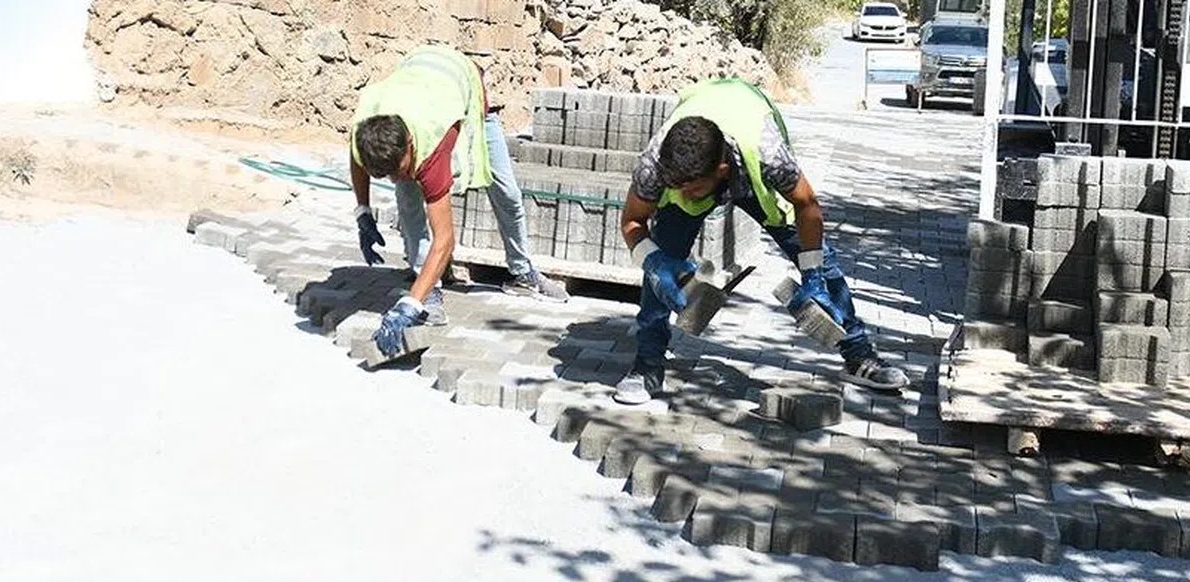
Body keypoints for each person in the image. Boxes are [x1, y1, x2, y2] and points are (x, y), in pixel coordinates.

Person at [615, 77, 909, 405]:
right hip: (706, 138)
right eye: (678, 186)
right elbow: (631, 221)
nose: (684, 194)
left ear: (722, 170)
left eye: (693, 188)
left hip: (750, 159)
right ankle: (648, 363)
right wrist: (654, 262)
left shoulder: (768, 154)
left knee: (820, 260)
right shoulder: (656, 164)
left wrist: (811, 276)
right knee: (660, 269)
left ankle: (859, 355)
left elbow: (807, 205)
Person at [348, 44, 569, 357]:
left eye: (400, 169)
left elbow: (445, 240)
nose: (398, 177)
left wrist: (407, 305)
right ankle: (430, 291)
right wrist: (362, 212)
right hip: (418, 77)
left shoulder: (432, 142)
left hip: (467, 96)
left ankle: (522, 272)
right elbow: (357, 160)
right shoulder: (365, 130)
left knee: (506, 192)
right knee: (408, 200)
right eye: (388, 175)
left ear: (410, 144)